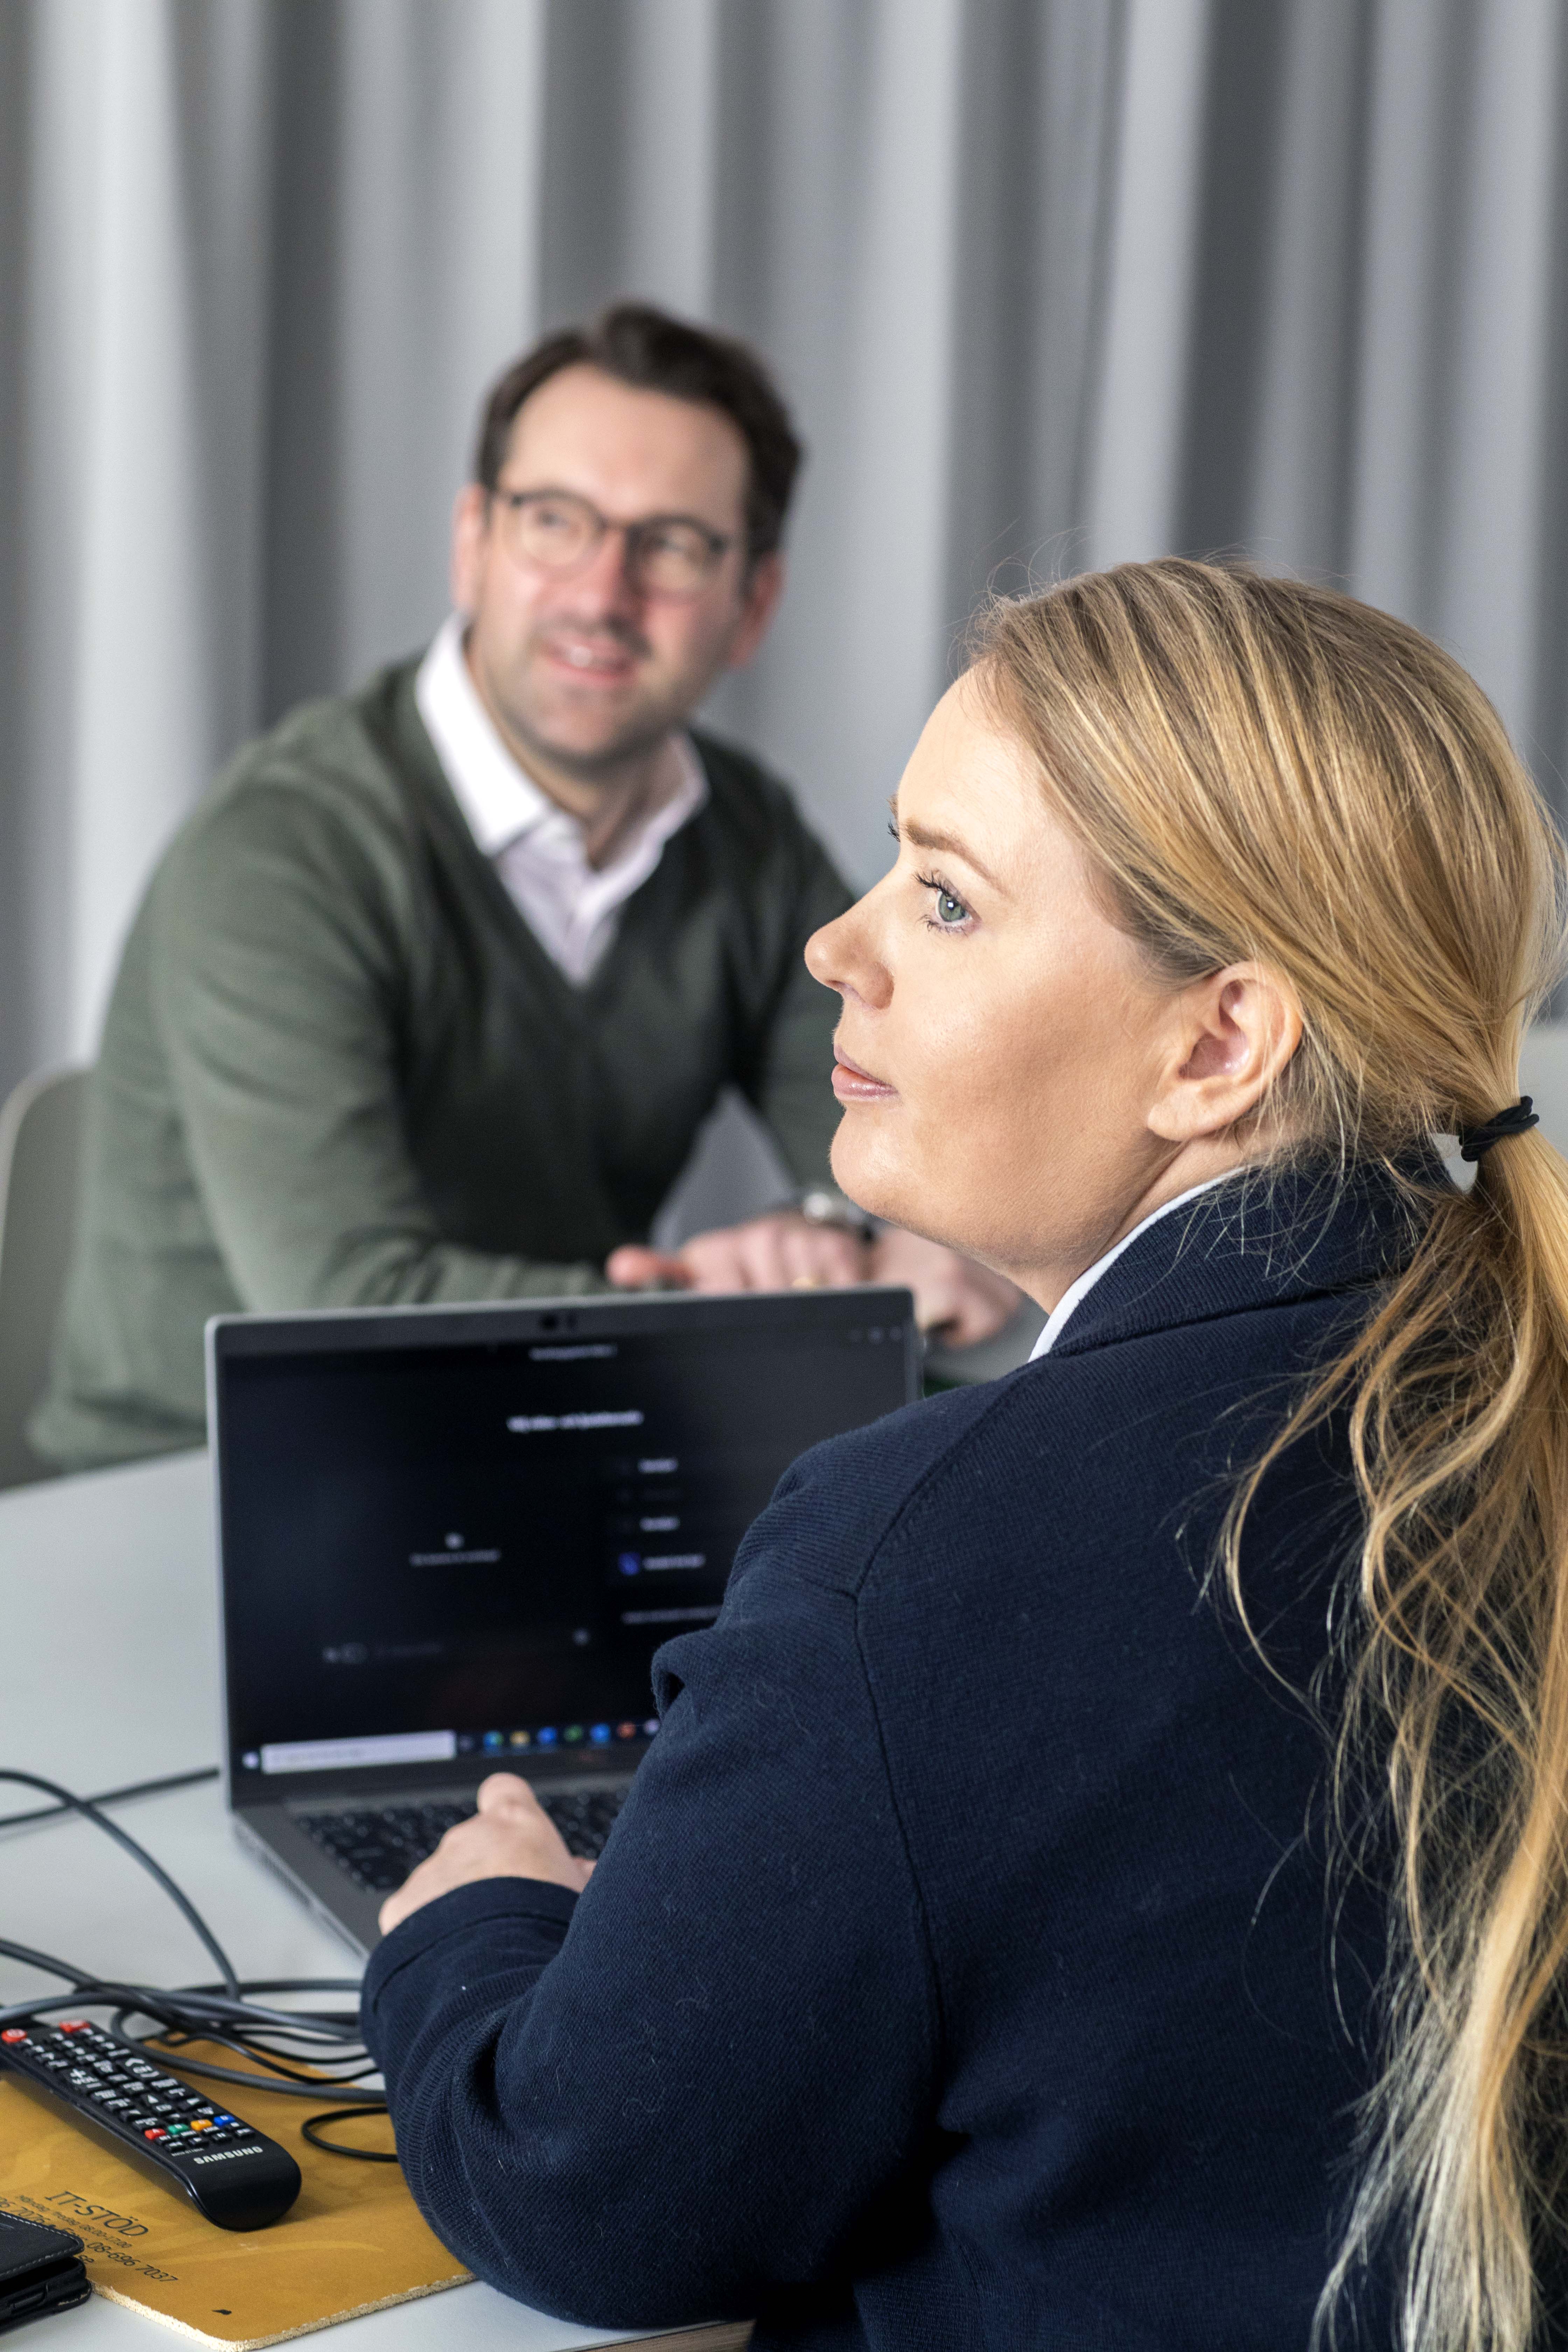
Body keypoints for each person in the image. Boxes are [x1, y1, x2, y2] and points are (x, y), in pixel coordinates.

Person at [360, 560, 1568, 2352]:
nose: (833, 950)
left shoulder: (915, 1563)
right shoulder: (1500, 1379)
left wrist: (471, 1933)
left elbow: (584, 2195)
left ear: (1217, 1043)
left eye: (942, 900)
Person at [33, 303, 1016, 1472]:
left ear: (753, 602)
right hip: (205, 1480)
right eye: (555, 522)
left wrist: (862, 1231)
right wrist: (722, 1305)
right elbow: (348, 1307)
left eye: (672, 545)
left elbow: (908, 1124)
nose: (601, 593)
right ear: (474, 544)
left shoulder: (745, 840)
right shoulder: (284, 850)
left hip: (552, 1456)